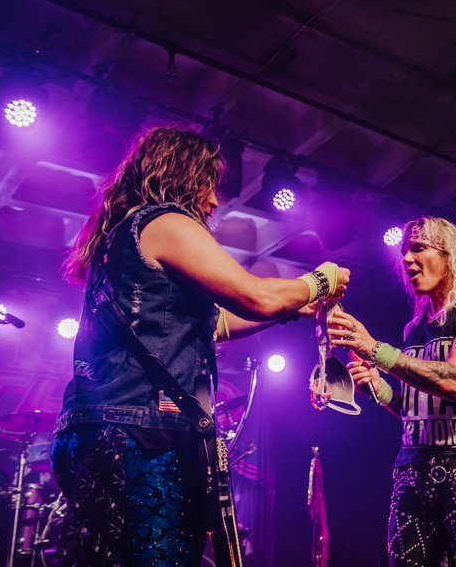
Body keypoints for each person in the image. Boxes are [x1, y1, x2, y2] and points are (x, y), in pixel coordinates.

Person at [50, 126, 350, 566]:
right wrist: (320, 280)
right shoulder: (165, 222)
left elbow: (216, 323)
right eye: (208, 185)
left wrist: (291, 309)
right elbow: (256, 295)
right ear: (183, 176)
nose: (213, 201)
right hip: (141, 435)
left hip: (100, 428)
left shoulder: (121, 238)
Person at [328, 216, 456, 567]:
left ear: (449, 255)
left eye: (419, 248)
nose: (407, 259)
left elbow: (455, 380)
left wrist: (376, 350)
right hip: (413, 471)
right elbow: (414, 409)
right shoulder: (414, 328)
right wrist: (378, 387)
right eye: (404, 251)